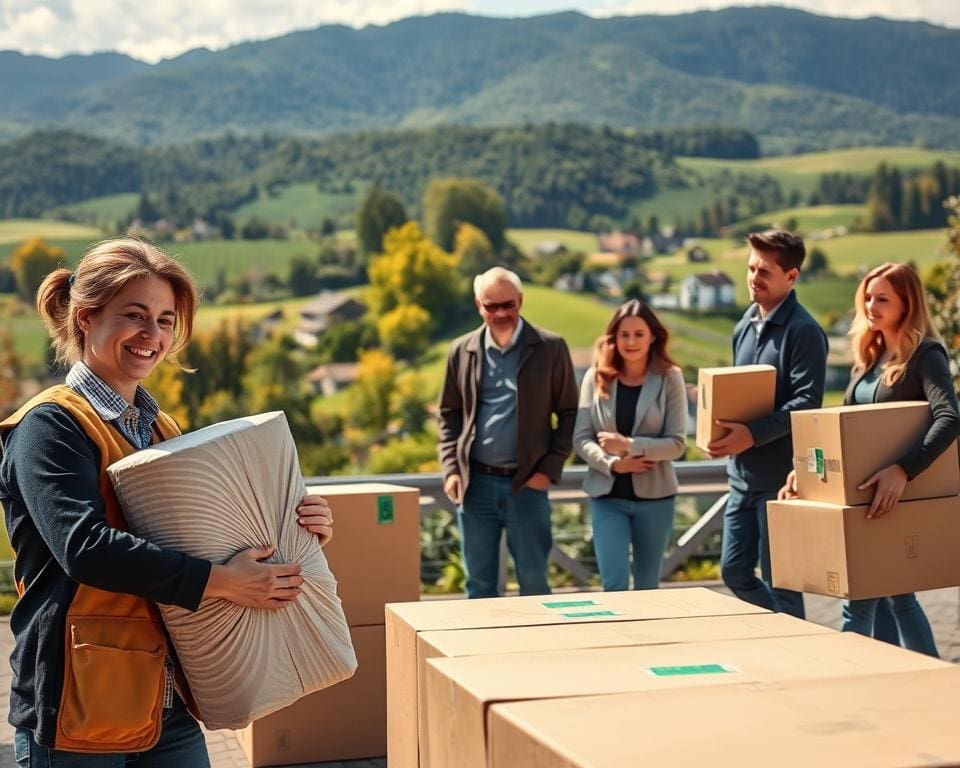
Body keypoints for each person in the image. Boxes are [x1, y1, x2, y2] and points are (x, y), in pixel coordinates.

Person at [0, 238, 334, 767]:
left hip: (167, 699)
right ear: (86, 318)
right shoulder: (48, 426)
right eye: (134, 316)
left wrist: (298, 525)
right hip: (79, 704)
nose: (152, 336)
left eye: (165, 320)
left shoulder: (161, 428)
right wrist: (224, 581)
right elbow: (86, 548)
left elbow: (203, 534)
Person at [779, 262, 958, 656]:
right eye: (867, 297)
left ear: (907, 304)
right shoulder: (870, 357)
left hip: (890, 499)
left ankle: (860, 684)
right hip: (861, 498)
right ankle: (925, 679)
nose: (870, 305)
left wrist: (903, 471)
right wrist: (803, 473)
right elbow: (839, 431)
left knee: (857, 605)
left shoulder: (925, 355)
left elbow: (950, 417)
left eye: (882, 298)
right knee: (898, 598)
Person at [707, 230, 827, 619]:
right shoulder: (744, 324)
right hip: (741, 475)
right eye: (750, 268)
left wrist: (752, 435)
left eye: (765, 271)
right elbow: (739, 394)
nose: (753, 278)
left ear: (791, 277)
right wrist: (718, 432)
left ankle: (797, 656)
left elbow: (807, 404)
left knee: (784, 584)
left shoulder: (804, 331)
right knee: (734, 571)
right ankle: (779, 632)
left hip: (780, 481)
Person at [438, 267, 577, 598]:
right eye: (492, 306)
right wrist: (451, 469)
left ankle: (538, 650)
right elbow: (448, 415)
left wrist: (548, 470)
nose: (501, 313)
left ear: (521, 301)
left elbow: (571, 414)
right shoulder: (461, 350)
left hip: (527, 485)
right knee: (479, 585)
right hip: (475, 485)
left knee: (533, 582)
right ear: (478, 305)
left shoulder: (551, 347)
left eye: (508, 305)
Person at [573, 300, 687, 591]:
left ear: (653, 336)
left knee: (648, 587)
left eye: (638, 334)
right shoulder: (595, 377)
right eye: (624, 334)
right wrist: (614, 463)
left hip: (656, 499)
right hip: (606, 496)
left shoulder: (670, 378)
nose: (631, 341)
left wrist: (630, 445)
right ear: (614, 337)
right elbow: (581, 438)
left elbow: (676, 444)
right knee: (614, 584)